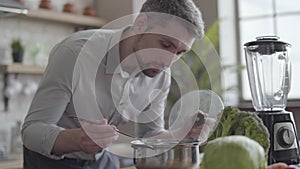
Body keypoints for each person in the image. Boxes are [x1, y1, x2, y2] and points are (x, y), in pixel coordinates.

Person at [21, 0, 214, 169]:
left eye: (180, 53)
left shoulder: (160, 75)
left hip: (102, 161)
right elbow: (31, 130)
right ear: (140, 24)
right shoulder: (74, 53)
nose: (168, 62)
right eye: (165, 44)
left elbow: (150, 136)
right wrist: (77, 139)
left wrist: (180, 134)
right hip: (49, 163)